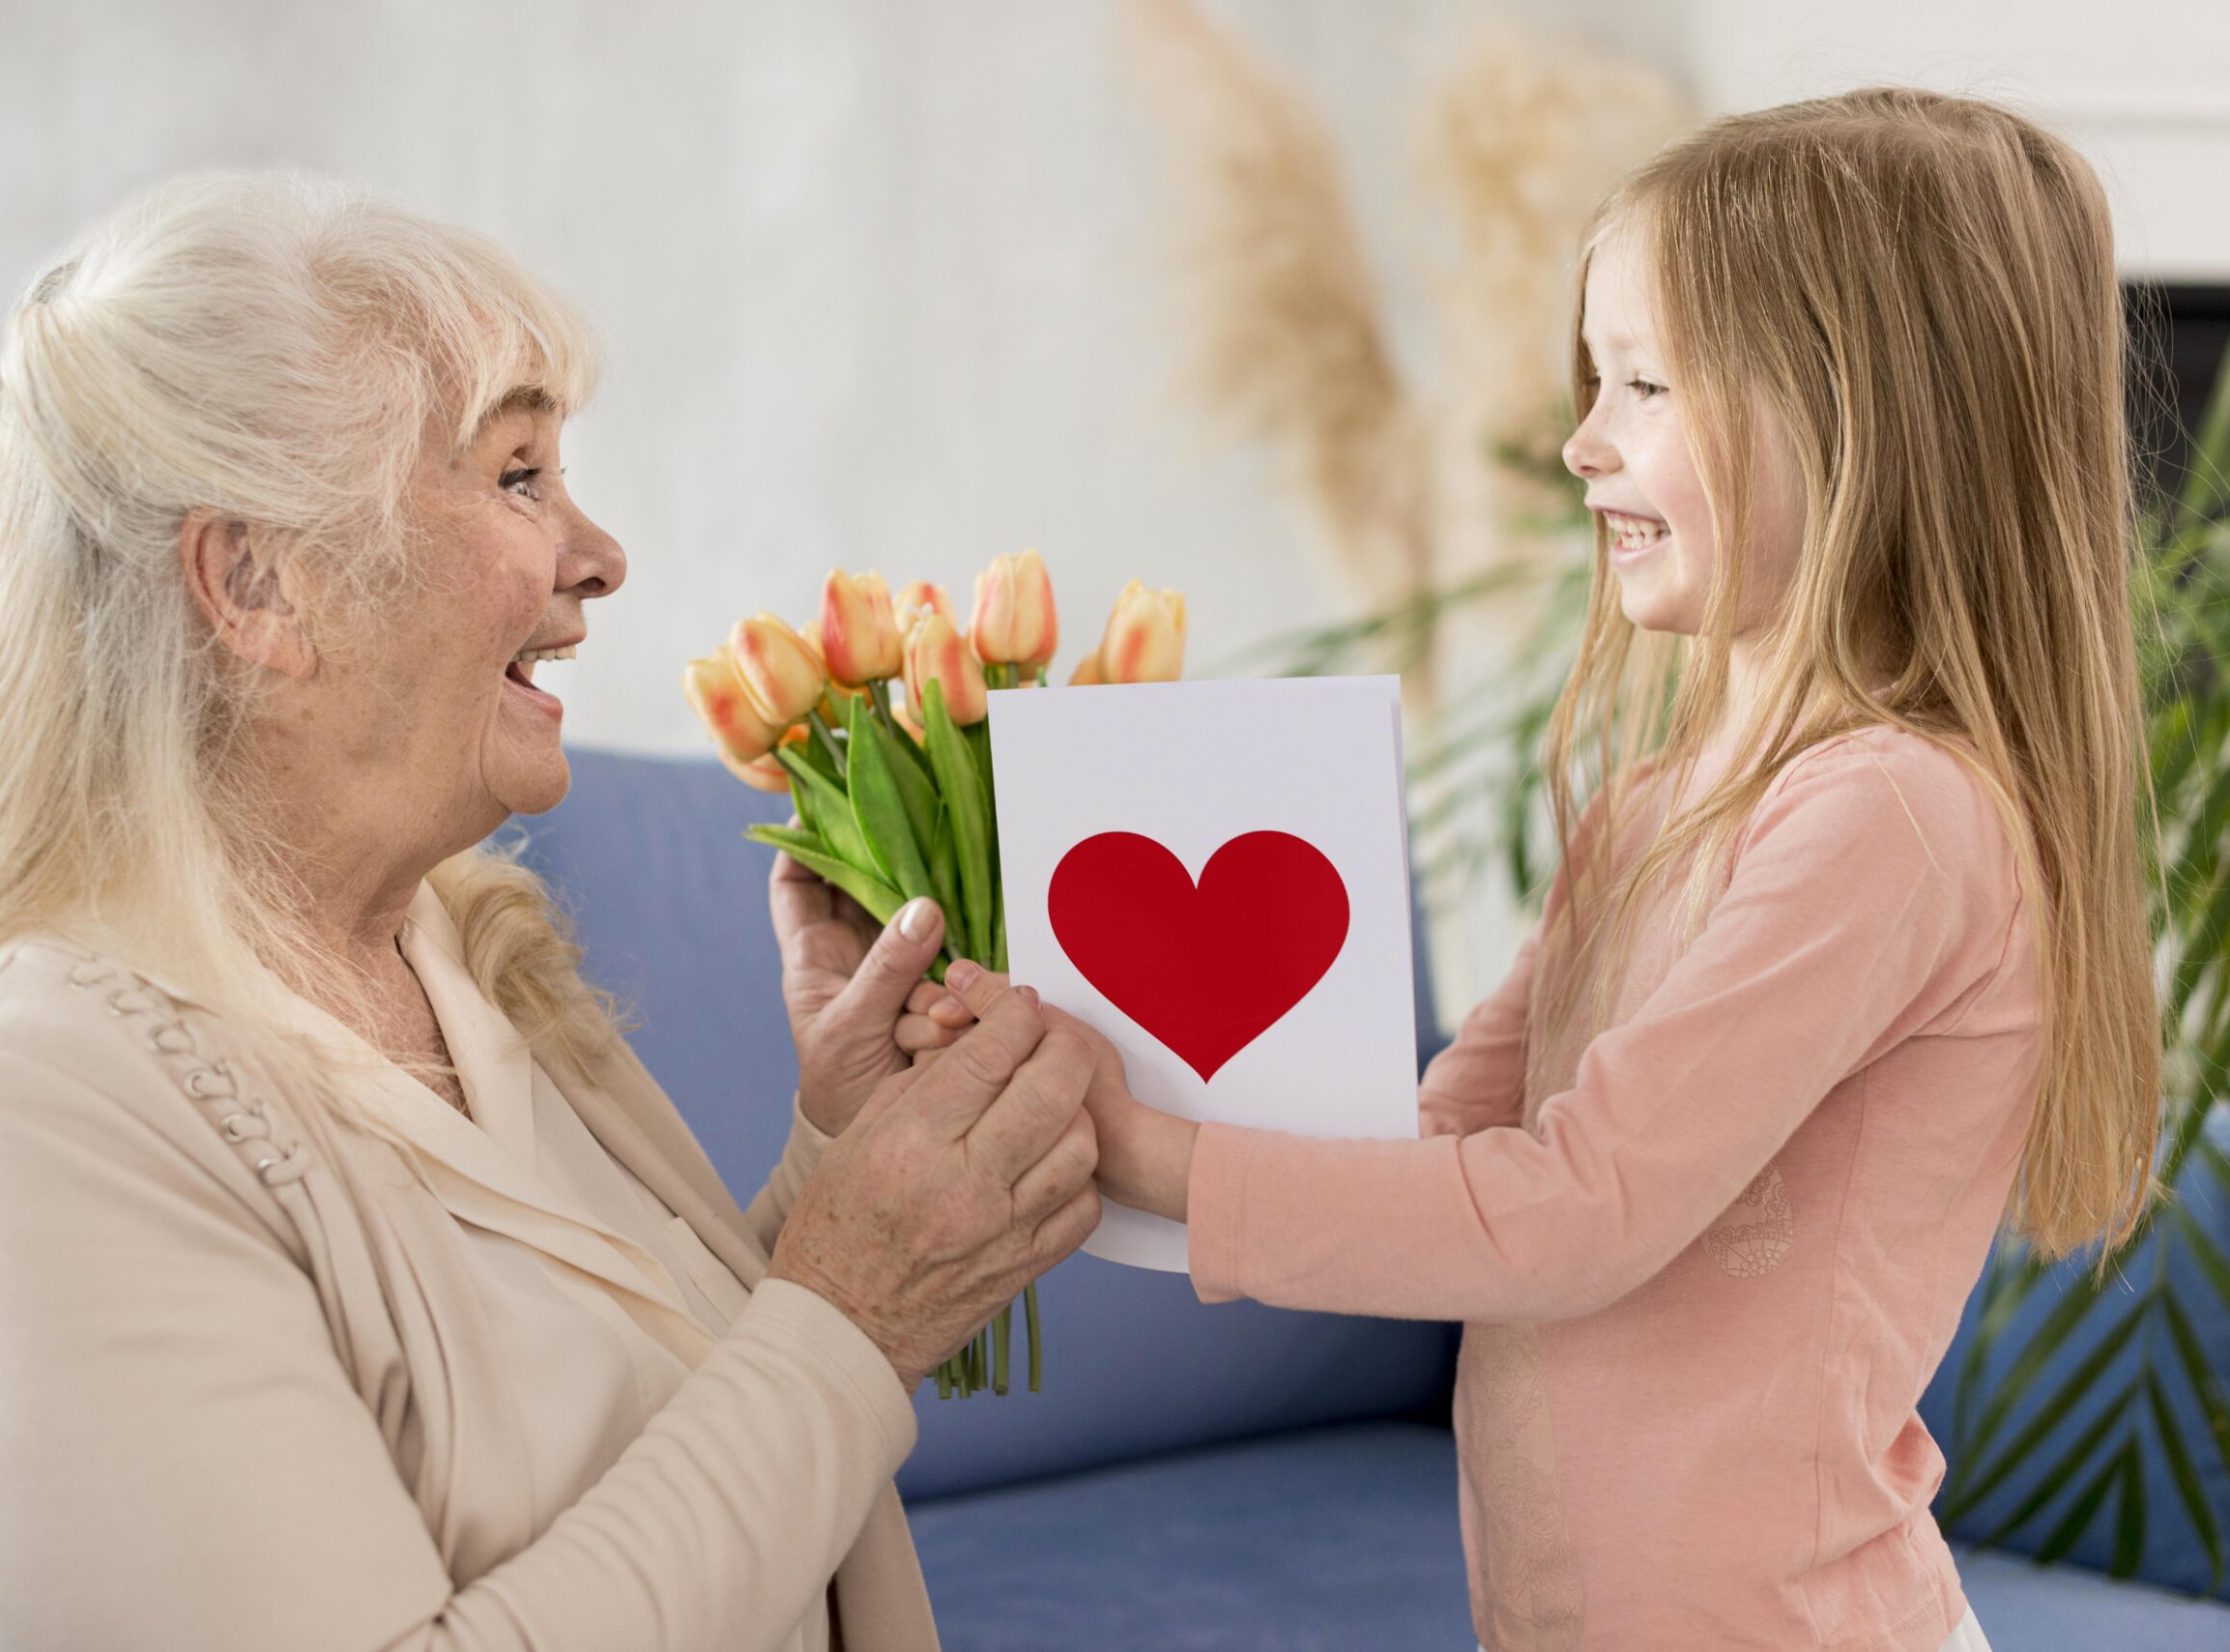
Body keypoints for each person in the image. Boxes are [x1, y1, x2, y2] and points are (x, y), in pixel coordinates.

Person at [910, 88, 2161, 1652]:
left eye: (1645, 382)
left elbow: (1576, 1213)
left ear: (1851, 424)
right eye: (1597, 379)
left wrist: (1155, 1154)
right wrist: (1081, 1082)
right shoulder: (1649, 809)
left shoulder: (1894, 821)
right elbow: (1436, 1144)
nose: (1582, 442)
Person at [0, 169, 1103, 1652]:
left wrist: (836, 1182)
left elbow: (630, 1458)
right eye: (516, 475)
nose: (598, 555)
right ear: (259, 583)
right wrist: (849, 1316)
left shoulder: (452, 946)